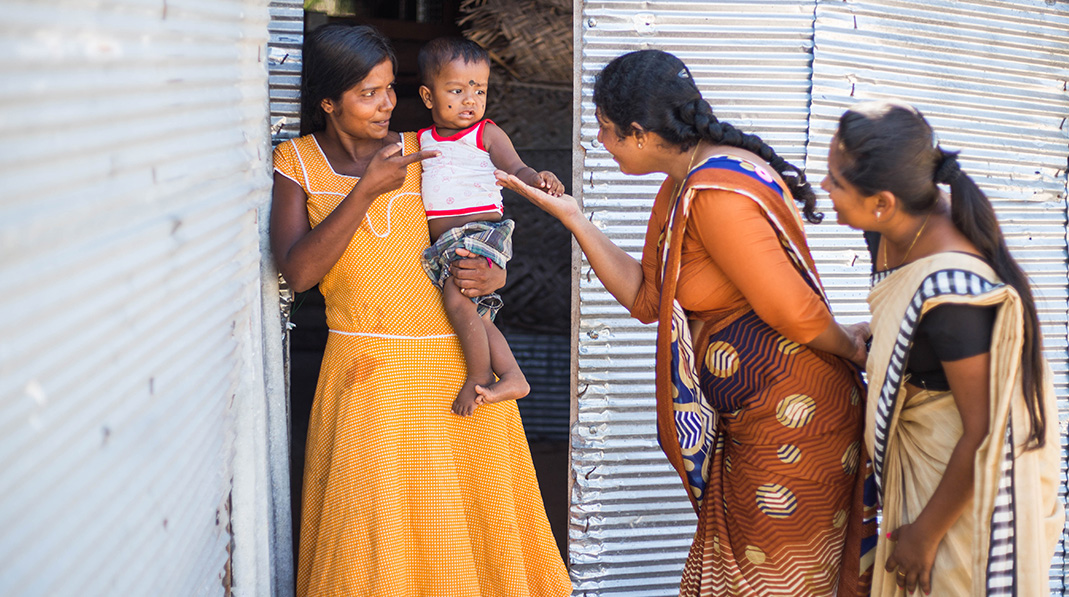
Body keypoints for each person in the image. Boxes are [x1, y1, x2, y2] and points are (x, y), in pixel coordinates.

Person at [499, 49, 875, 596]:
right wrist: (574, 217)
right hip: (755, 418)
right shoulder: (683, 184)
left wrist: (853, 349)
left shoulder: (715, 194)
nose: (600, 144)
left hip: (793, 422)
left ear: (640, 132)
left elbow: (791, 310)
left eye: (606, 131)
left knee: (771, 581)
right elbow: (648, 299)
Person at [269, 23, 571, 597]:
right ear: (327, 103)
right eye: (368, 93)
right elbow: (300, 273)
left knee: (472, 531)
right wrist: (365, 191)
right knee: (374, 535)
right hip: (366, 376)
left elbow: (477, 231)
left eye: (389, 88)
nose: (387, 104)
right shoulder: (297, 162)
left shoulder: (425, 149)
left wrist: (494, 273)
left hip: (458, 370)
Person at [821, 100, 1063, 596]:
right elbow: (903, 321)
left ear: (882, 202)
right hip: (931, 472)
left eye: (836, 181)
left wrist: (925, 536)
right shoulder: (889, 230)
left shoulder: (955, 294)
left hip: (959, 492)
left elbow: (983, 431)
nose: (825, 188)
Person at [415, 36, 564, 416]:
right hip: (448, 242)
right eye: (457, 89)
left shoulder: (486, 133)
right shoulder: (421, 140)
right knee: (478, 313)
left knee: (456, 297)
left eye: (479, 90)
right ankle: (513, 374)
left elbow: (516, 168)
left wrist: (538, 177)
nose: (470, 100)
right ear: (428, 97)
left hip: (481, 231)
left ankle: (478, 375)